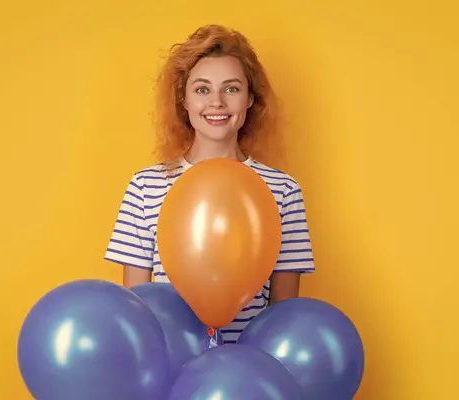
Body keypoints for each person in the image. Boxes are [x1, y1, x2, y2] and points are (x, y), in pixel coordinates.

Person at [104, 24, 315, 344]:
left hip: (247, 380)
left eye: (231, 89)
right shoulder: (145, 187)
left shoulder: (283, 190)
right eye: (202, 89)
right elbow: (137, 312)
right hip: (170, 377)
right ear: (184, 100)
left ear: (250, 100)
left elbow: (282, 321)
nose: (216, 102)